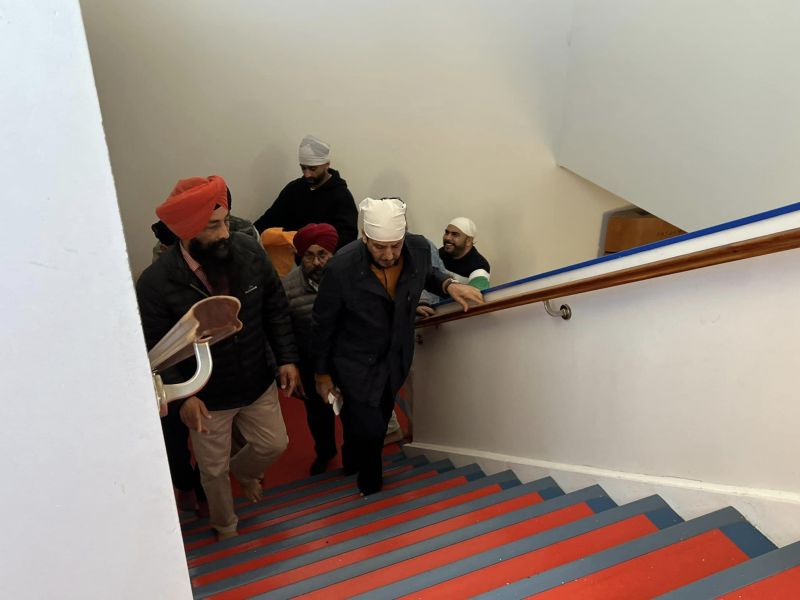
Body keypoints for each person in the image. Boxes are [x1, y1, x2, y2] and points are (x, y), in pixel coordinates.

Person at [136, 175, 301, 540]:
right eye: (213, 226)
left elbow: (274, 305)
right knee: (211, 471)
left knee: (274, 444)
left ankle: (243, 472)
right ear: (187, 231)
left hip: (257, 380)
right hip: (207, 396)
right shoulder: (155, 283)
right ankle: (226, 529)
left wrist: (287, 358)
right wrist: (185, 397)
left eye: (226, 220)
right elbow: (156, 347)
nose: (226, 232)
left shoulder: (249, 250)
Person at [311, 198, 484, 495]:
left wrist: (449, 285)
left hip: (395, 356)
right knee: (372, 428)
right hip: (355, 360)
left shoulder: (416, 247)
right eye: (380, 247)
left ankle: (352, 459)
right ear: (365, 238)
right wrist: (322, 375)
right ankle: (371, 486)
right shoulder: (341, 267)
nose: (390, 254)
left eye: (395, 245)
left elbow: (425, 273)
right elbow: (323, 323)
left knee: (374, 415)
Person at [280, 223, 340, 475]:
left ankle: (357, 451)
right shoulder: (287, 287)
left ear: (332, 255)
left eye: (322, 254)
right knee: (318, 413)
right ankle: (325, 452)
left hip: (345, 356)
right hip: (310, 360)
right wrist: (289, 363)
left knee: (355, 408)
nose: (317, 262)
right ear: (300, 256)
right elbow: (283, 330)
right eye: (309, 255)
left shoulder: (344, 277)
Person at [253, 135, 357, 250]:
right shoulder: (294, 189)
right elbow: (270, 219)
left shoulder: (341, 196)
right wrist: (249, 234)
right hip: (291, 259)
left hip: (324, 262)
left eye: (313, 169)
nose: (307, 174)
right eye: (303, 168)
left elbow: (348, 237)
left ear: (327, 165)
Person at [439, 217, 491, 289]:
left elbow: (475, 295)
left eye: (454, 234)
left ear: (468, 241)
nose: (448, 238)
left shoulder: (479, 266)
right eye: (447, 233)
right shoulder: (439, 254)